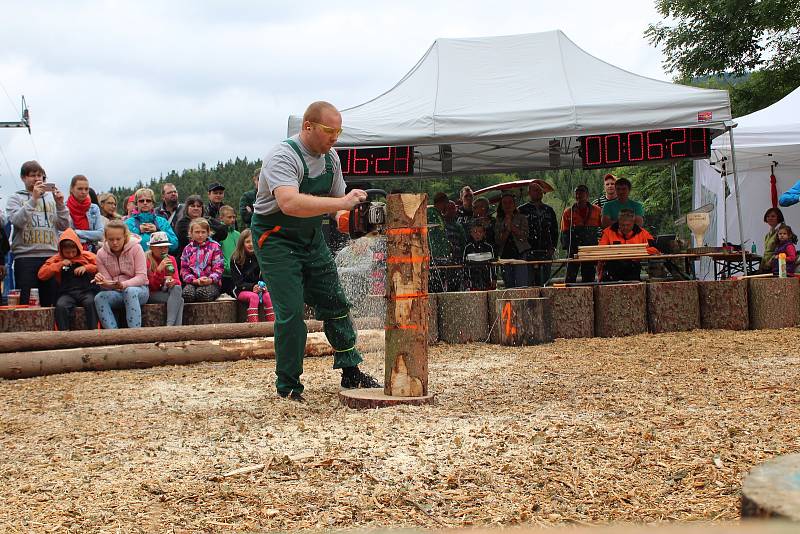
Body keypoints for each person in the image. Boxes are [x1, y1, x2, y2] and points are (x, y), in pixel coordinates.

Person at [250, 100, 380, 401]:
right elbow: (290, 203)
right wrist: (342, 204)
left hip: (310, 236)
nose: (334, 138)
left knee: (335, 301)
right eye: (329, 131)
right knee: (291, 313)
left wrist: (357, 222)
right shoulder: (282, 156)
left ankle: (351, 370)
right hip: (276, 238)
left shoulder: (331, 158)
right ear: (307, 127)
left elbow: (338, 208)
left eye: (338, 131)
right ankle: (289, 387)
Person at [5, 160, 71, 306]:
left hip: (51, 256)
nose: (37, 179)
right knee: (26, 302)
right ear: (23, 178)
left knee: (51, 300)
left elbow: (65, 225)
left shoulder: (51, 198)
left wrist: (60, 204)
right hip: (25, 257)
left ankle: (51, 329)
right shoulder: (15, 198)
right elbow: (17, 221)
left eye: (40, 175)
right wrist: (33, 199)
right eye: (32, 175)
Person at [37, 228, 99, 330]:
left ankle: (94, 331)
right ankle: (63, 334)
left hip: (86, 291)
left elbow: (100, 267)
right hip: (67, 293)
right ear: (61, 250)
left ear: (78, 248)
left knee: (91, 302)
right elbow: (41, 275)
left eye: (73, 252)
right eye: (67, 252)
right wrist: (59, 265)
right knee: (61, 306)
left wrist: (86, 267)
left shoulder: (87, 256)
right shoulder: (57, 259)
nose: (70, 255)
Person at [93, 220, 149, 329]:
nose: (115, 243)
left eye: (118, 239)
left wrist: (123, 284)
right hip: (116, 292)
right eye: (111, 239)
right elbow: (108, 283)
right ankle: (113, 334)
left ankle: (135, 333)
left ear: (125, 237)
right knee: (99, 297)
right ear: (105, 238)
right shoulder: (100, 254)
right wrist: (102, 281)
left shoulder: (137, 248)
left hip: (139, 290)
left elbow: (142, 277)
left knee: (130, 291)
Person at [597, 209, 659, 282]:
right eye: (622, 225)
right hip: (613, 267)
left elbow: (655, 249)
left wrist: (637, 252)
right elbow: (601, 251)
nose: (625, 227)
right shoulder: (608, 232)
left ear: (633, 223)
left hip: (633, 267)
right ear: (618, 222)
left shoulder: (643, 233)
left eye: (628, 225)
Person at [518, 182, 557, 286]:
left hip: (545, 251)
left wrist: (553, 247)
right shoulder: (522, 210)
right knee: (528, 282)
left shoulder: (549, 210)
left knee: (544, 282)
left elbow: (554, 231)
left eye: (540, 190)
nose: (538, 192)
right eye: (535, 190)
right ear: (529, 193)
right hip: (527, 252)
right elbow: (517, 233)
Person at [231, 229, 275, 322]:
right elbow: (238, 282)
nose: (251, 244)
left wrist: (265, 286)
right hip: (241, 290)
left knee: (268, 296)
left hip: (260, 288)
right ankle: (254, 326)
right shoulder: (236, 259)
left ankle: (272, 325)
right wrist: (252, 287)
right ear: (242, 243)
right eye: (247, 242)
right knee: (253, 297)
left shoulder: (261, 256)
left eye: (253, 241)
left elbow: (266, 275)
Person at [561, 184, 602, 283]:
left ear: (587, 195)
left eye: (581, 193)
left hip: (590, 247)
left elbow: (603, 229)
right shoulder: (568, 212)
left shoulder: (597, 210)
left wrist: (600, 245)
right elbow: (564, 232)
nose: (579, 196)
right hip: (574, 248)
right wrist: (568, 248)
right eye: (577, 193)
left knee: (589, 277)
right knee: (570, 276)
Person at [180, 217, 224, 303]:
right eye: (197, 232)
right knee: (187, 294)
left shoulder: (215, 247)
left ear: (208, 233)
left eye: (203, 232)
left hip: (211, 283)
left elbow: (219, 268)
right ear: (191, 233)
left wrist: (210, 279)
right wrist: (194, 280)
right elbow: (184, 269)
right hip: (193, 282)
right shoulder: (187, 249)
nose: (200, 235)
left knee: (202, 294)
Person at [145, 231, 184, 326]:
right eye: (160, 248)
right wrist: (158, 271)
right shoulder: (146, 260)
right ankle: (173, 328)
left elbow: (178, 282)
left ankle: (170, 327)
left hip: (166, 291)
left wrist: (172, 282)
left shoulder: (171, 259)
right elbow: (151, 286)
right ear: (152, 248)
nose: (163, 250)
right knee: (180, 300)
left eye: (166, 247)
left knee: (177, 289)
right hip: (151, 294)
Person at [175, 195, 228, 263]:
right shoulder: (182, 223)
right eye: (192, 206)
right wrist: (210, 231)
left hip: (210, 261)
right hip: (189, 262)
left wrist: (207, 225)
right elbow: (188, 239)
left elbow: (223, 232)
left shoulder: (209, 220)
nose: (196, 208)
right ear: (187, 208)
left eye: (199, 206)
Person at [125, 188, 179, 252]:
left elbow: (175, 245)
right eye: (141, 201)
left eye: (148, 201)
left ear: (153, 203)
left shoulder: (162, 222)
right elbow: (122, 244)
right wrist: (138, 230)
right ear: (136, 204)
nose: (145, 203)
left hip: (160, 261)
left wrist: (158, 231)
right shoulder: (128, 223)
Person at [495, 192, 530, 288]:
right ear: (501, 206)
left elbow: (525, 236)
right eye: (505, 203)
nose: (508, 205)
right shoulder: (498, 220)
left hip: (520, 253)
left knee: (522, 282)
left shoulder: (522, 218)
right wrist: (506, 228)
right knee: (508, 283)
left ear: (514, 204)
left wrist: (512, 226)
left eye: (510, 202)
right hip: (505, 255)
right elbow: (498, 240)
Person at [67, 174, 105, 251]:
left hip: (91, 251)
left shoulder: (94, 208)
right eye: (80, 189)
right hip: (70, 251)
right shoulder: (64, 209)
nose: (84, 192)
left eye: (86, 189)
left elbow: (100, 234)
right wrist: (90, 237)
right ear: (72, 189)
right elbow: (65, 235)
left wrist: (76, 232)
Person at [427, 192, 456, 293]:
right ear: (443, 203)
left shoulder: (438, 215)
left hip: (442, 255)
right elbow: (430, 234)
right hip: (435, 255)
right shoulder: (431, 213)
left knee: (442, 282)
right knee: (436, 282)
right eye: (446, 204)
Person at [463, 222, 495, 290]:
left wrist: (494, 278)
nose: (477, 234)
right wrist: (465, 278)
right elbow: (465, 265)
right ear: (471, 233)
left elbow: (493, 265)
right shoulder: (468, 248)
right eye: (475, 232)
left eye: (480, 232)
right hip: (473, 278)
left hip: (486, 278)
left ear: (484, 233)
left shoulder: (489, 247)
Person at [218, 205, 240, 296]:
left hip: (237, 275)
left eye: (234, 217)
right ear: (221, 218)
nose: (232, 220)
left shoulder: (238, 234)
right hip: (224, 275)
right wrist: (226, 268)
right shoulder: (219, 234)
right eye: (229, 217)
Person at [760, 207, 784, 272]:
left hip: (776, 266)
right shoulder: (768, 234)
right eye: (768, 216)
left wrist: (771, 261)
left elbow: (782, 249)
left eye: (773, 216)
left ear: (778, 217)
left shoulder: (782, 231)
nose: (770, 218)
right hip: (766, 265)